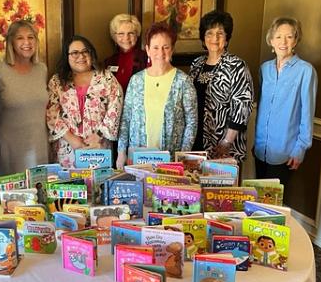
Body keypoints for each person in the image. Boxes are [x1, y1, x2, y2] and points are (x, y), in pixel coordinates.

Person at [117, 22, 197, 169]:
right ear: (148, 50)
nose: (160, 53)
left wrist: (182, 156)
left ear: (172, 50)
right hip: (138, 160)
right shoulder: (136, 80)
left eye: (165, 47)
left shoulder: (183, 81)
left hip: (171, 161)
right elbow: (126, 119)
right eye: (155, 47)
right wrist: (121, 152)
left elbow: (192, 122)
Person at [254, 16, 317, 185]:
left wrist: (300, 149)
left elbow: (307, 113)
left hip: (285, 152)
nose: (283, 42)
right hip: (260, 149)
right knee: (257, 197)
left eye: (289, 37)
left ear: (295, 41)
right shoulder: (264, 69)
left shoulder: (306, 71)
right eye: (278, 36)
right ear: (271, 41)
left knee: (274, 200)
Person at [46, 35, 123, 168]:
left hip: (98, 145)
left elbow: (115, 107)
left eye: (85, 51)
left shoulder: (106, 78)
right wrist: (71, 138)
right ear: (67, 56)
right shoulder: (57, 81)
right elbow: (51, 113)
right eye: (75, 53)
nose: (81, 56)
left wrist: (99, 135)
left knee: (99, 180)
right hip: (67, 146)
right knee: (68, 181)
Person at [189, 10, 254, 162]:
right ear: (203, 37)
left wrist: (227, 142)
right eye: (209, 33)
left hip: (223, 145)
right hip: (196, 140)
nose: (214, 38)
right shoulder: (196, 64)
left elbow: (243, 107)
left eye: (220, 33)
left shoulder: (237, 66)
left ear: (227, 37)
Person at [0, 20, 48, 174]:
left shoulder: (42, 69)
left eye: (31, 37)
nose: (27, 42)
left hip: (39, 146)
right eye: (20, 38)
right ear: (11, 42)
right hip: (10, 150)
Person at [104, 14, 148, 93]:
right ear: (114, 37)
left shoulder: (146, 58)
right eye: (121, 33)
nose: (126, 38)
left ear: (137, 35)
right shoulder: (109, 62)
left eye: (130, 33)